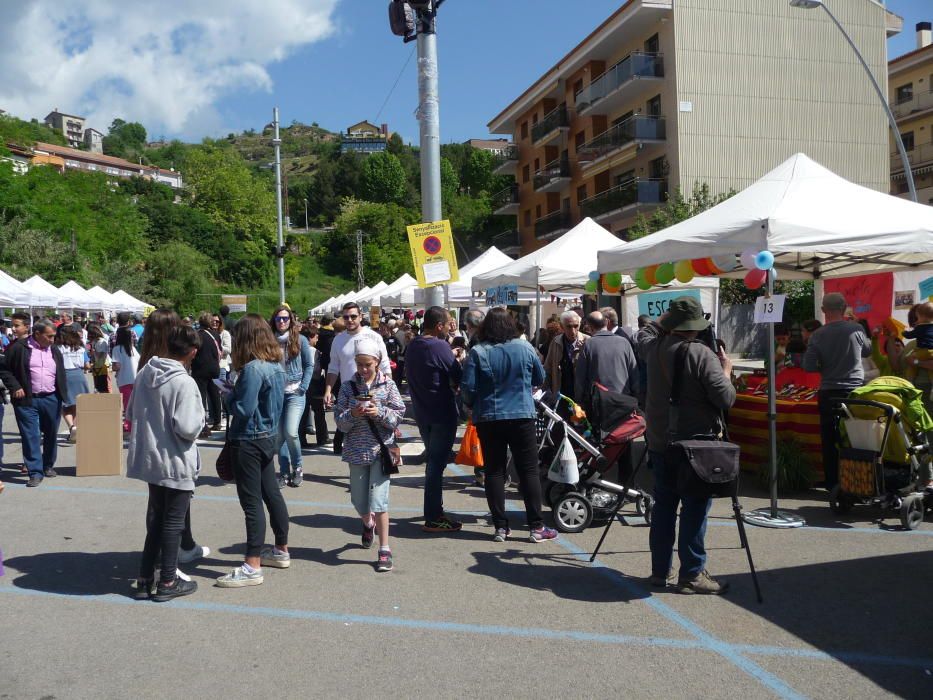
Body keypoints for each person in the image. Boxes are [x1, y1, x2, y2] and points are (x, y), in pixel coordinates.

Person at [637, 296, 735, 595]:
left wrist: (662, 320)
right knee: (694, 508)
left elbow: (643, 333)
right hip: (695, 445)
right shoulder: (702, 355)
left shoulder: (652, 350)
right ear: (695, 327)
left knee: (664, 507)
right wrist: (727, 371)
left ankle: (659, 570)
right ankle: (691, 573)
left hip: (660, 440)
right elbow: (726, 398)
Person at [461, 308, 556, 543]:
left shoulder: (478, 351)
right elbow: (539, 377)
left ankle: (500, 527)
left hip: (489, 415)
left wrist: (470, 404)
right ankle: (536, 526)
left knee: (494, 470)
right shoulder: (524, 347)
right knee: (528, 470)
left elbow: (468, 388)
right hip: (521, 413)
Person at [126, 326, 205, 602]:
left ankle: (145, 578)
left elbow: (130, 411)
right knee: (173, 522)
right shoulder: (184, 383)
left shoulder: (145, 373)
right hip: (174, 459)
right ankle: (168, 581)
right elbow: (187, 427)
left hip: (149, 457)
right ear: (192, 352)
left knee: (157, 519)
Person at [217, 314, 291, 588]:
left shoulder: (252, 369)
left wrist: (227, 394)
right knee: (271, 493)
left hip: (248, 439)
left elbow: (243, 410)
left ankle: (252, 564)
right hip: (269, 436)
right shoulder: (277, 365)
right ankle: (280, 548)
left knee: (251, 502)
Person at [138, 307, 211, 564]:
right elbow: (188, 426)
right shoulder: (179, 376)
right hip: (173, 453)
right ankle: (168, 573)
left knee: (159, 511)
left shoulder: (147, 367)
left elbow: (132, 412)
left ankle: (152, 570)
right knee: (172, 516)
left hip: (150, 450)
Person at [335, 337, 405, 572]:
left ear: (377, 361)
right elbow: (340, 423)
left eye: (368, 364)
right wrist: (353, 413)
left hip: (381, 450)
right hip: (355, 450)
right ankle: (367, 523)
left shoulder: (388, 385)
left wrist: (379, 412)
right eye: (359, 364)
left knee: (380, 502)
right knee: (358, 499)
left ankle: (385, 549)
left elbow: (397, 417)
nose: (363, 370)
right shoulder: (347, 387)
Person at [802, 292, 871, 490]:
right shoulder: (856, 328)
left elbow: (808, 366)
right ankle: (857, 479)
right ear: (844, 308)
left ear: (824, 310)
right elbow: (867, 351)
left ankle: (832, 482)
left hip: (829, 390)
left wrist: (825, 366)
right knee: (855, 436)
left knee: (830, 438)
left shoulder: (817, 335)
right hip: (855, 391)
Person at [405, 306, 464, 533]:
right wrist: (455, 358)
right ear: (439, 325)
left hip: (422, 413)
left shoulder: (414, 345)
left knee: (434, 462)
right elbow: (457, 375)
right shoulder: (439, 346)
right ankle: (433, 516)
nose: (451, 326)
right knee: (435, 467)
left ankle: (433, 512)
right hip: (441, 413)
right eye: (448, 322)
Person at [0, 320, 66, 487]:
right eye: (49, 336)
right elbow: (3, 368)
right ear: (37, 334)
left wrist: (62, 395)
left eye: (54, 336)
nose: (53, 339)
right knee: (31, 436)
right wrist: (15, 386)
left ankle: (47, 465)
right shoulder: (18, 348)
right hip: (27, 400)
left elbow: (60, 372)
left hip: (51, 398)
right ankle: (35, 472)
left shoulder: (54, 349)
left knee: (51, 433)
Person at [323, 303, 390, 455]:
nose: (350, 320)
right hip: (350, 393)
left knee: (377, 433)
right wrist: (328, 390)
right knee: (352, 435)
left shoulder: (374, 337)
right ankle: (357, 469)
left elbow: (385, 366)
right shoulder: (338, 340)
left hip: (374, 391)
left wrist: (389, 391)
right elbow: (333, 367)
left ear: (360, 316)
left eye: (353, 316)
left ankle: (376, 469)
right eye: (346, 317)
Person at [270, 306, 314, 488]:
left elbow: (309, 365)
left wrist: (303, 387)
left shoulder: (301, 340)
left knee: (290, 432)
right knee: (279, 437)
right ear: (274, 320)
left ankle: (298, 468)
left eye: (285, 319)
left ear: (291, 321)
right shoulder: (269, 341)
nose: (282, 322)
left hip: (295, 393)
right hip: (276, 393)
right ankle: (284, 472)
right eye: (279, 319)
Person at [574, 311, 638, 412]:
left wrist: (579, 402)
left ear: (589, 327)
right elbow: (634, 373)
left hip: (599, 403)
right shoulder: (624, 342)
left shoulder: (589, 345)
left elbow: (580, 378)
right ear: (607, 322)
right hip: (623, 400)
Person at [543, 310, 588, 400]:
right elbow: (548, 368)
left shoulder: (588, 341)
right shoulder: (556, 342)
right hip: (560, 396)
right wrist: (543, 389)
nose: (573, 331)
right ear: (562, 327)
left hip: (582, 398)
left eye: (576, 326)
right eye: (569, 327)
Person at [56, 324, 90, 443]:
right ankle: (75, 428)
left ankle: (72, 426)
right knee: (76, 403)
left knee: (64, 405)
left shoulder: (59, 348)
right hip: (79, 375)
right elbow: (87, 365)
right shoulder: (80, 348)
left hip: (64, 375)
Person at [191, 311, 222, 437]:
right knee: (214, 394)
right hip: (214, 367)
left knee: (201, 396)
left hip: (200, 368)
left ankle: (203, 424)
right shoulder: (215, 334)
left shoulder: (198, 335)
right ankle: (217, 421)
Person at [112, 325, 140, 433]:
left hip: (124, 379)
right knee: (134, 403)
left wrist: (113, 368)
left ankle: (129, 426)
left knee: (127, 404)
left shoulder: (117, 349)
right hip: (135, 378)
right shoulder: (132, 349)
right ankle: (133, 424)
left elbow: (117, 366)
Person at [87, 323, 111, 394]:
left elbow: (101, 355)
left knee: (103, 388)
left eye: (90, 335)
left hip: (102, 367)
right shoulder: (94, 342)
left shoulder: (101, 342)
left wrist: (93, 352)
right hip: (96, 367)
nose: (89, 337)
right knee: (97, 388)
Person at [213, 314, 232, 382]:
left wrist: (217, 346)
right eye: (213, 320)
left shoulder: (225, 333)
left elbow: (228, 350)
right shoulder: (209, 333)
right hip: (212, 366)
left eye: (217, 321)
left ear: (220, 322)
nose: (214, 322)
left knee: (222, 390)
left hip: (222, 365)